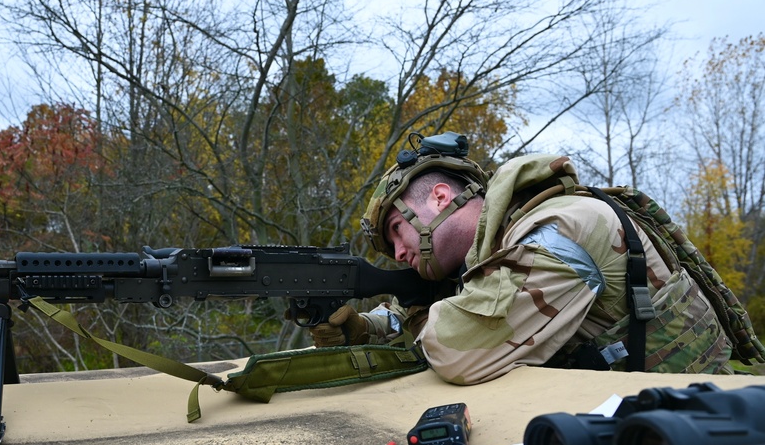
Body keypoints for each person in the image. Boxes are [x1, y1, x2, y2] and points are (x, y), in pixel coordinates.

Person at [309, 133, 735, 384]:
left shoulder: (557, 227)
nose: (400, 254)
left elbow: (455, 350)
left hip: (714, 424)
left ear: (440, 198)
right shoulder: (502, 243)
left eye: (397, 232)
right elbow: (453, 296)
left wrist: (418, 318)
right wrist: (368, 326)